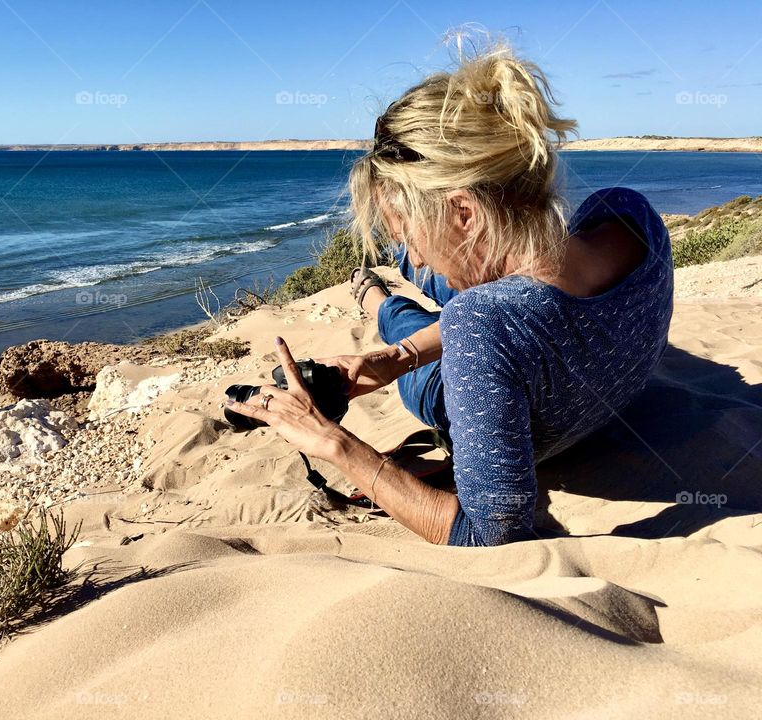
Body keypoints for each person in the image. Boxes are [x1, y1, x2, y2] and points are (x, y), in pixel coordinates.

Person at [225, 42, 673, 546]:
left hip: (478, 381)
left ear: (464, 213)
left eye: (408, 235)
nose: (415, 254)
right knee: (438, 283)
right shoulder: (631, 216)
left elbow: (488, 535)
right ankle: (388, 298)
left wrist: (331, 441)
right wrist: (394, 361)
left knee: (404, 317)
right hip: (571, 366)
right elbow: (524, 308)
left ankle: (373, 296)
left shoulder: (477, 325)